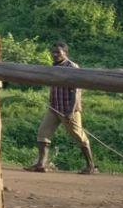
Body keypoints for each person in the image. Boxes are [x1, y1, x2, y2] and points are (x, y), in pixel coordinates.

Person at [26, 42, 98, 174]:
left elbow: (77, 91)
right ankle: (41, 164)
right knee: (43, 133)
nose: (54, 55)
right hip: (54, 108)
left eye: (58, 52)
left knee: (78, 135)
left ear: (65, 53)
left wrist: (70, 111)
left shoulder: (72, 67)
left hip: (68, 109)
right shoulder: (54, 67)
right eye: (53, 52)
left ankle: (91, 166)